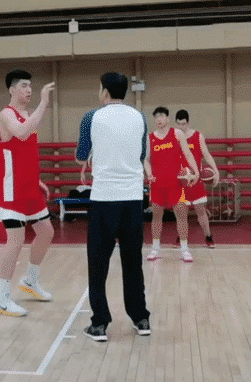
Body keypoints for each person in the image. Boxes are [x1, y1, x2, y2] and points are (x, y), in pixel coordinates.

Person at [75, 72, 151, 342]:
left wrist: (94, 155)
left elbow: (81, 155)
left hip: (103, 200)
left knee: (98, 265)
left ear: (104, 92)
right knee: (133, 262)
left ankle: (99, 324)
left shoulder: (91, 117)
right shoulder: (140, 117)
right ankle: (141, 318)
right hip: (133, 200)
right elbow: (141, 155)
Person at [0, 69, 56, 317]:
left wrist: (36, 178)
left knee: (46, 232)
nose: (29, 90)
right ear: (11, 90)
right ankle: (2, 299)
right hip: (12, 189)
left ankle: (30, 280)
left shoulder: (27, 114)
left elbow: (25, 151)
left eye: (30, 85)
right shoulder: (6, 114)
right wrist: (43, 103)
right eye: (23, 85)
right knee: (16, 240)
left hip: (30, 186)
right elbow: (21, 133)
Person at [143, 107, 199, 263]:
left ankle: (185, 249)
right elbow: (146, 159)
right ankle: (155, 249)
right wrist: (149, 173)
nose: (159, 119)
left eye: (161, 116)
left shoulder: (177, 134)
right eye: (156, 117)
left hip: (176, 183)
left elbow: (188, 154)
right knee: (156, 216)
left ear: (167, 119)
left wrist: (196, 171)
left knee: (181, 215)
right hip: (157, 184)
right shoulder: (150, 138)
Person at [175, 109, 220, 248]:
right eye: (178, 124)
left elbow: (206, 155)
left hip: (196, 180)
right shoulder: (174, 138)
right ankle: (181, 238)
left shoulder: (197, 136)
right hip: (181, 181)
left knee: (201, 211)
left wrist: (216, 171)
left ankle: (208, 237)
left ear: (188, 123)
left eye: (183, 124)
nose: (181, 127)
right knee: (182, 213)